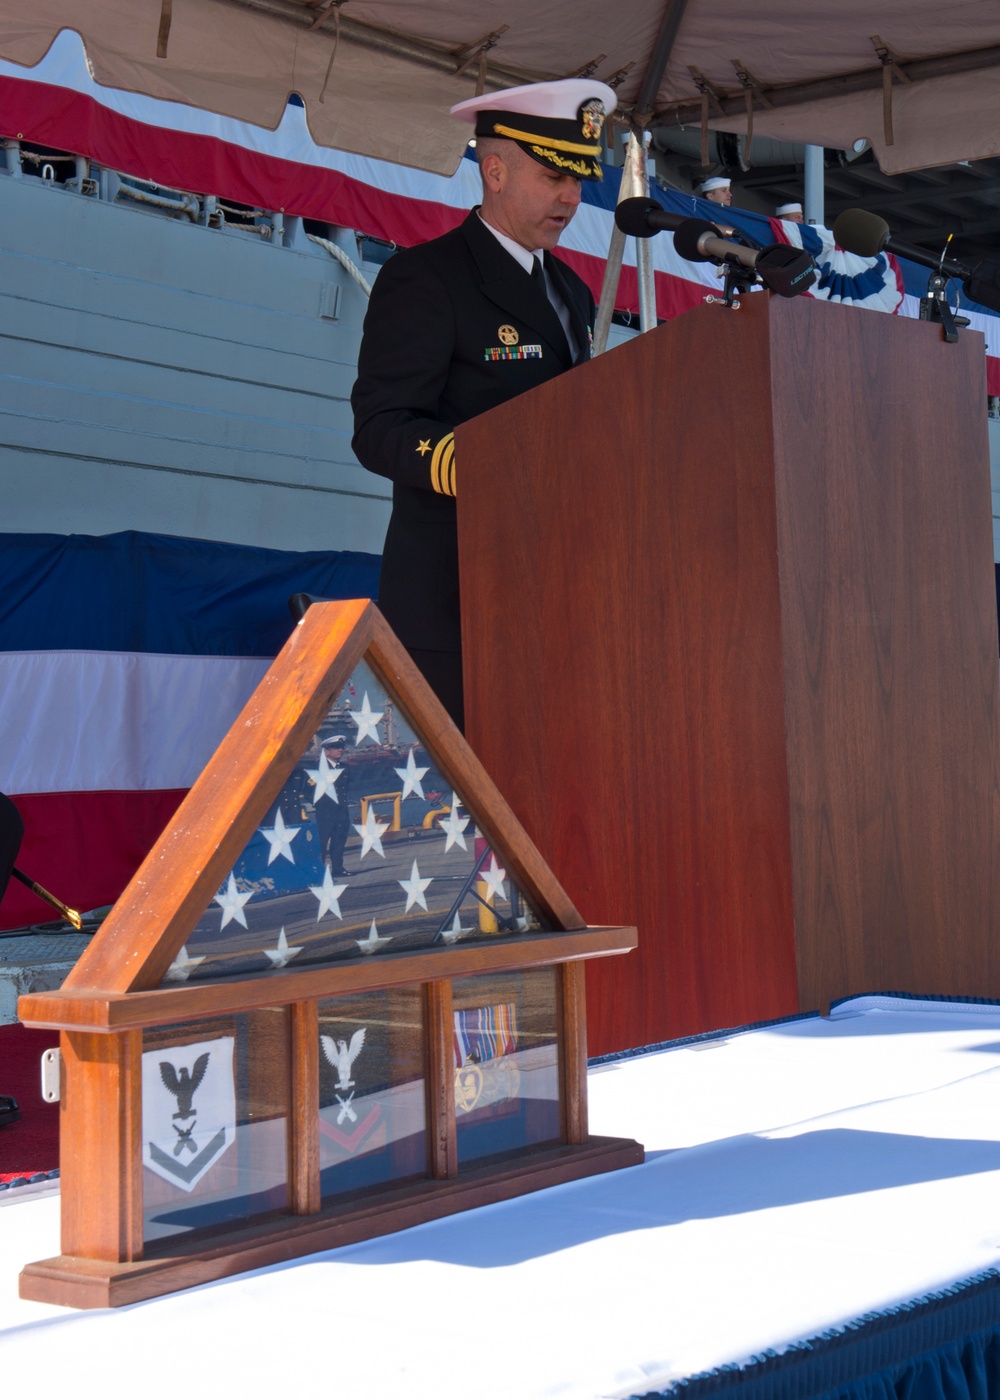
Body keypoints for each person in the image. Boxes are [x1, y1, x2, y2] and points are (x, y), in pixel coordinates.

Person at [351, 78, 616, 731]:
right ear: (494, 171)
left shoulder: (572, 293)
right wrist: (482, 467)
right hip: (454, 604)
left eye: (580, 180)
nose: (572, 197)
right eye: (555, 175)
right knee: (457, 816)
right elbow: (381, 428)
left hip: (550, 596)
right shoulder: (426, 279)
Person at [312, 735, 352, 877]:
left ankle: (338, 868)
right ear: (327, 751)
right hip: (325, 812)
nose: (340, 750)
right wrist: (319, 804)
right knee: (321, 843)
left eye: (342, 748)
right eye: (336, 748)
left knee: (339, 841)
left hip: (341, 811)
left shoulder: (345, 768)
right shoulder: (318, 769)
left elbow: (343, 790)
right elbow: (309, 790)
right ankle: (320, 872)